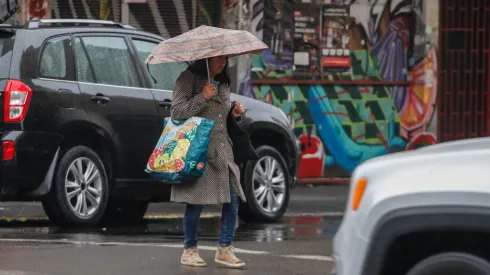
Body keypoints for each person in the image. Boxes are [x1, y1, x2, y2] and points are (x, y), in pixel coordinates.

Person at [169, 55, 247, 268]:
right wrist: (202, 97)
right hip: (198, 150)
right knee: (196, 201)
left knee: (233, 198)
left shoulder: (222, 82)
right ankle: (189, 250)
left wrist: (234, 113)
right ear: (205, 58)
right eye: (217, 58)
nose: (221, 62)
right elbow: (176, 112)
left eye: (225, 58)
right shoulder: (189, 78)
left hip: (223, 151)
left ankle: (225, 248)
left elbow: (220, 116)